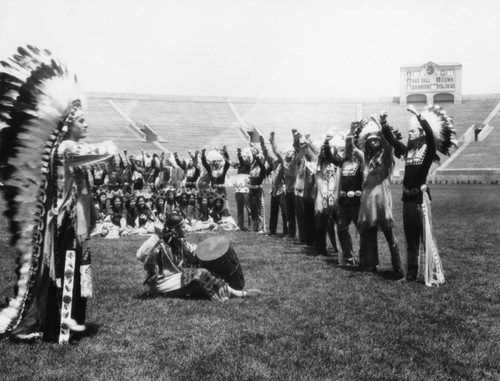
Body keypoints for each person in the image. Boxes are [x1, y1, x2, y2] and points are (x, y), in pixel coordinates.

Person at [0, 45, 117, 343]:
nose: (86, 123)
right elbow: (103, 151)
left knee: (78, 270)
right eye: (81, 120)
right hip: (64, 222)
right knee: (66, 271)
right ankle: (58, 327)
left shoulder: (67, 151)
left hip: (74, 222)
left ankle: (71, 321)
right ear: (69, 125)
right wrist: (112, 148)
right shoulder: (66, 149)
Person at [382, 106, 455, 285]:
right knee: (411, 240)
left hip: (420, 200)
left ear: (421, 133)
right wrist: (384, 124)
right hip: (407, 200)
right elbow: (392, 140)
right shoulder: (409, 152)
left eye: (413, 131)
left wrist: (418, 116)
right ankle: (411, 275)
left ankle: (435, 273)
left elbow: (430, 137)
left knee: (427, 238)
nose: (410, 133)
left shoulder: (428, 150)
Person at [136, 215, 261, 300]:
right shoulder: (160, 244)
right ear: (175, 229)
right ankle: (238, 294)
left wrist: (213, 248)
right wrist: (157, 236)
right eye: (183, 226)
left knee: (205, 275)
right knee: (201, 274)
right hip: (162, 283)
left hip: (176, 280)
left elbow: (195, 252)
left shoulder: (181, 243)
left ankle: (231, 292)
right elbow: (140, 255)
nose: (187, 229)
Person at [355, 116, 403, 277]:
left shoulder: (386, 157)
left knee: (390, 235)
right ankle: (371, 264)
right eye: (370, 140)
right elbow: (354, 148)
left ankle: (398, 268)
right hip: (368, 202)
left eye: (375, 140)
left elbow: (389, 145)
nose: (373, 142)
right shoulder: (366, 159)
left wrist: (381, 125)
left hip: (382, 202)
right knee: (369, 234)